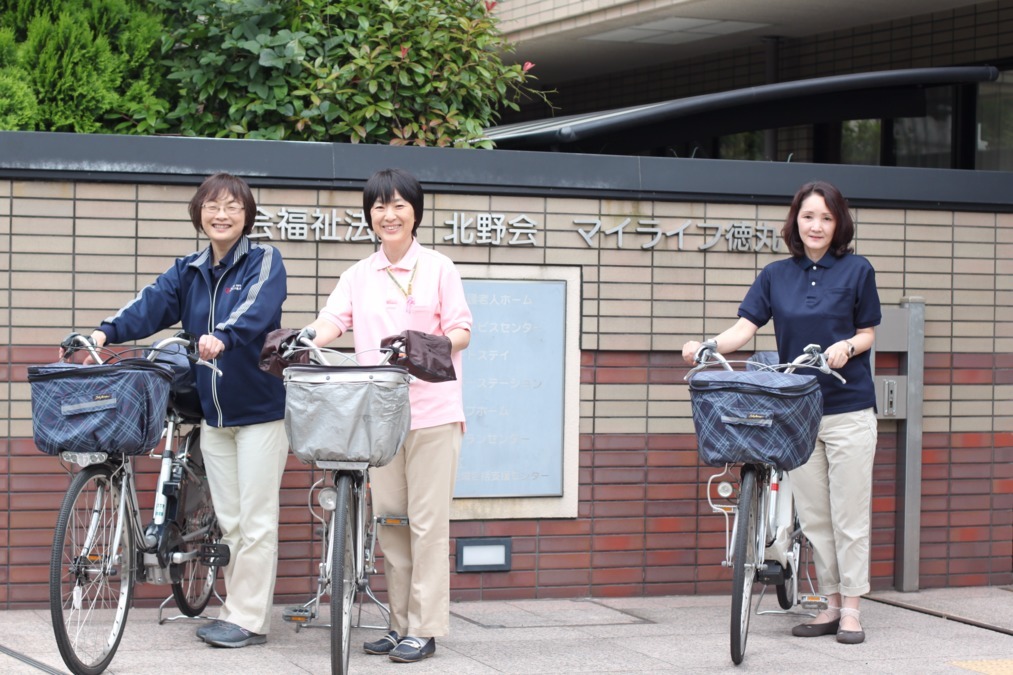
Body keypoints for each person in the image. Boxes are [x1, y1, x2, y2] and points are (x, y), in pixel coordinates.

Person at [87, 172, 289, 649]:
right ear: (199, 213)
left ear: (247, 215)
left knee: (256, 521)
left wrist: (224, 336)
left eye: (233, 207)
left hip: (260, 411)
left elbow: (258, 310)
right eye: (213, 206)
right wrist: (104, 332)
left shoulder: (264, 259)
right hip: (213, 416)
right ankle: (236, 611)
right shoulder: (190, 270)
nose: (222, 214)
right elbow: (150, 304)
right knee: (233, 519)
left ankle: (248, 619)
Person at [682, 180, 880, 645]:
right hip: (798, 412)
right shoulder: (775, 274)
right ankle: (830, 604)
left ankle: (852, 608)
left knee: (849, 515)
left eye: (826, 218)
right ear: (795, 222)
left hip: (849, 409)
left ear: (838, 224)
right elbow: (743, 328)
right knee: (814, 517)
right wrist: (707, 346)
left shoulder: (857, 270)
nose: (816, 226)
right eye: (809, 217)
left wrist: (847, 346)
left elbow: (868, 331)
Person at [303, 167, 472, 663]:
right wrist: (306, 338)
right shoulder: (358, 275)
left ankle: (426, 626)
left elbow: (462, 329)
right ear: (369, 217)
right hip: (378, 416)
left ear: (415, 212)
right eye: (379, 206)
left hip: (434, 413)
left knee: (426, 524)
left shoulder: (439, 267)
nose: (389, 213)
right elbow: (334, 319)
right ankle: (400, 625)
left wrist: (429, 344)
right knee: (391, 522)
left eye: (399, 204)